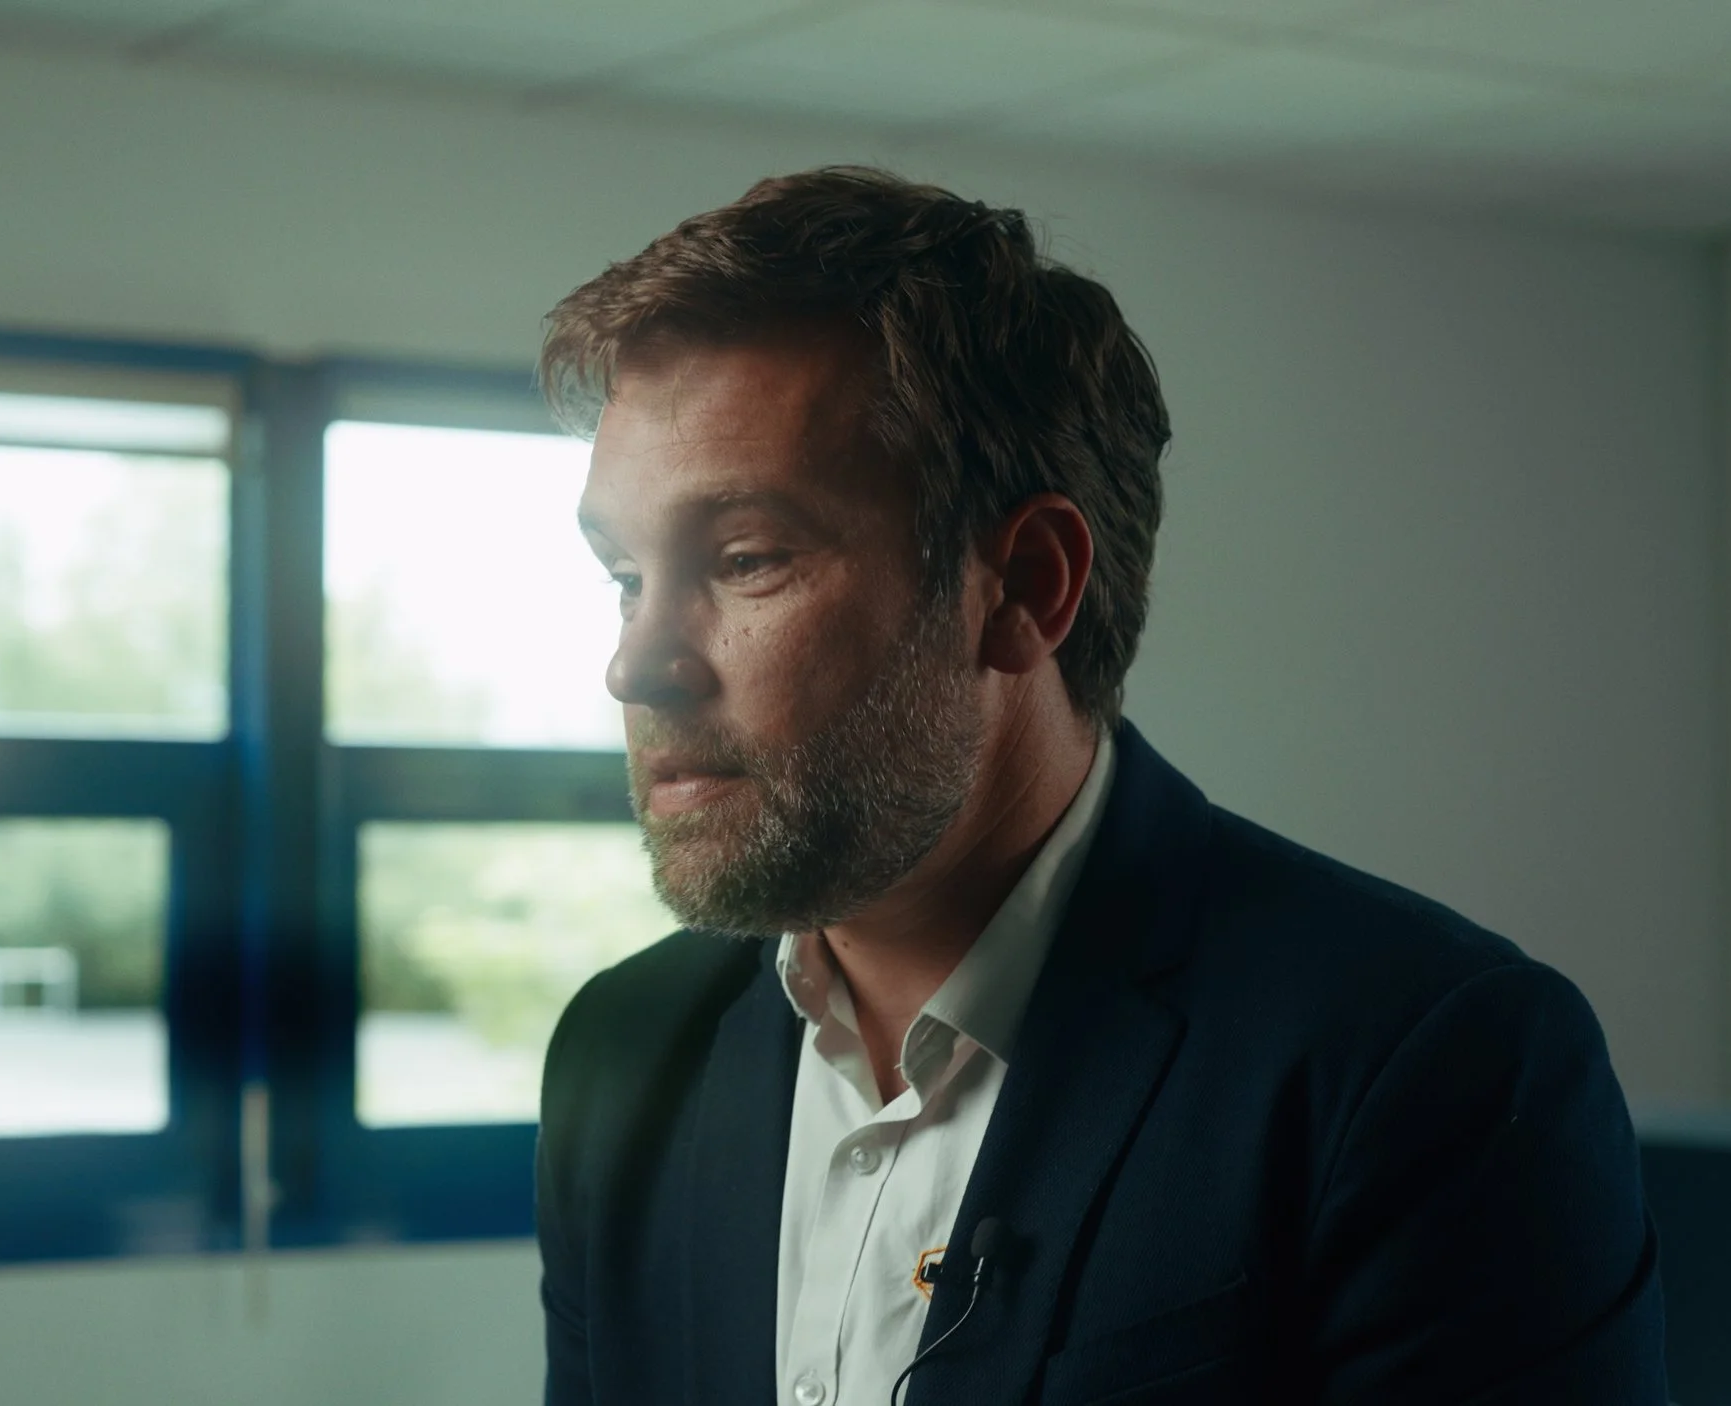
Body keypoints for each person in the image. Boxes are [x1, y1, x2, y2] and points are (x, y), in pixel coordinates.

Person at [534, 166, 1664, 1406]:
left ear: (1023, 585)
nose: (634, 661)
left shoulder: (1422, 1066)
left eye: (745, 559)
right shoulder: (625, 1052)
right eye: (623, 575)